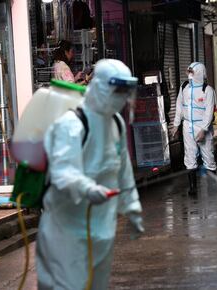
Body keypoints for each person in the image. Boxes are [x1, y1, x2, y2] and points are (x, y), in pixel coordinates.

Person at [36, 59, 144, 290]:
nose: (121, 98)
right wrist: (87, 189)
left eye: (125, 92)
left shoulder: (116, 123)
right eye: (117, 91)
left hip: (101, 232)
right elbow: (62, 173)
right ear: (100, 86)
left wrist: (132, 207)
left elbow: (122, 169)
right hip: (66, 233)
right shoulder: (71, 124)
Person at [171, 62, 217, 195]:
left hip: (202, 126)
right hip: (187, 126)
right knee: (190, 156)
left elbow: (209, 111)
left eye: (192, 72)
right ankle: (192, 188)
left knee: (208, 156)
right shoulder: (184, 87)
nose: (189, 75)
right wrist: (176, 124)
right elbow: (179, 105)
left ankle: (212, 187)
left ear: (199, 73)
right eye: (189, 71)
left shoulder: (208, 90)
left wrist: (203, 129)